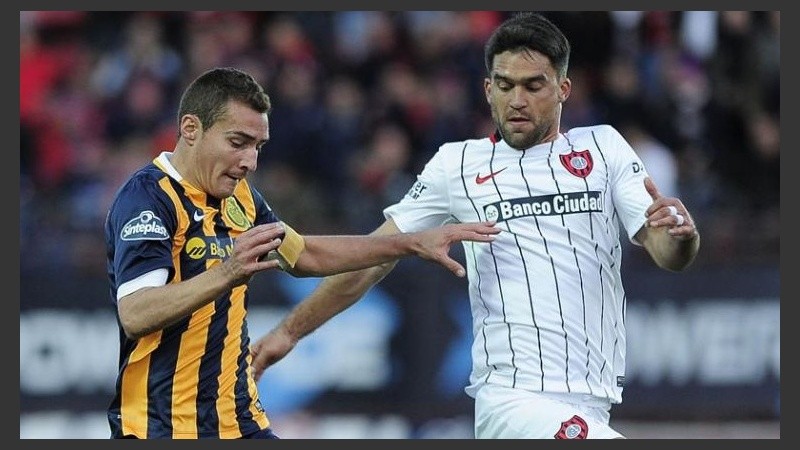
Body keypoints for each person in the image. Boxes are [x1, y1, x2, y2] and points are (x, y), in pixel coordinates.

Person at [251, 12, 700, 439]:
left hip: (592, 403)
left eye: (533, 85)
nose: (517, 100)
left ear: (563, 88)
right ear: (488, 89)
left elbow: (666, 250)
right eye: (504, 85)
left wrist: (682, 236)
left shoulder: (603, 148)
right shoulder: (459, 164)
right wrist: (288, 332)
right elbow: (373, 258)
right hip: (513, 402)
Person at [103, 66, 500, 439]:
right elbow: (136, 313)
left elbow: (305, 254)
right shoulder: (146, 199)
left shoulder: (241, 198)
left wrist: (410, 243)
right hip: (161, 423)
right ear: (191, 129)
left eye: (258, 146)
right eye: (238, 143)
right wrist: (227, 271)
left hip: (237, 418)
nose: (249, 162)